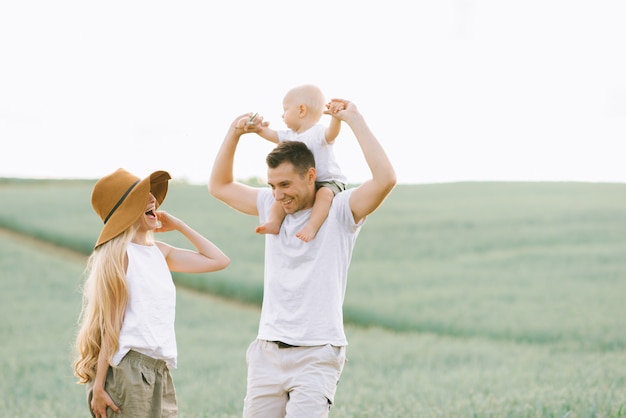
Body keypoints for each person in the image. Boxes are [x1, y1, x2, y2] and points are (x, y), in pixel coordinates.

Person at [209, 98, 396, 417]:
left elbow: (385, 179)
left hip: (317, 353)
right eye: (271, 185)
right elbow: (220, 185)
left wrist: (354, 120)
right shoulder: (271, 205)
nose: (278, 194)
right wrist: (233, 133)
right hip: (267, 351)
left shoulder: (340, 210)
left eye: (285, 184)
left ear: (311, 176)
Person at [73, 168, 230, 418]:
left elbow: (218, 260)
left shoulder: (161, 252)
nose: (153, 200)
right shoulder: (121, 256)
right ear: (125, 213)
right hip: (129, 370)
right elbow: (112, 325)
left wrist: (179, 225)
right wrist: (100, 386)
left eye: (150, 194)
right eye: (141, 197)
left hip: (160, 370)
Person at [253, 84, 348, 242]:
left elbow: (332, 134)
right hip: (306, 183)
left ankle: (312, 226)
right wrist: (257, 128)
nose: (282, 116)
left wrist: (336, 118)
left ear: (301, 110)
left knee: (324, 196)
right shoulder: (291, 135)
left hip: (328, 181)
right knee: (279, 198)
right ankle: (274, 222)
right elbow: (272, 135)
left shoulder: (317, 132)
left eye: (285, 110)